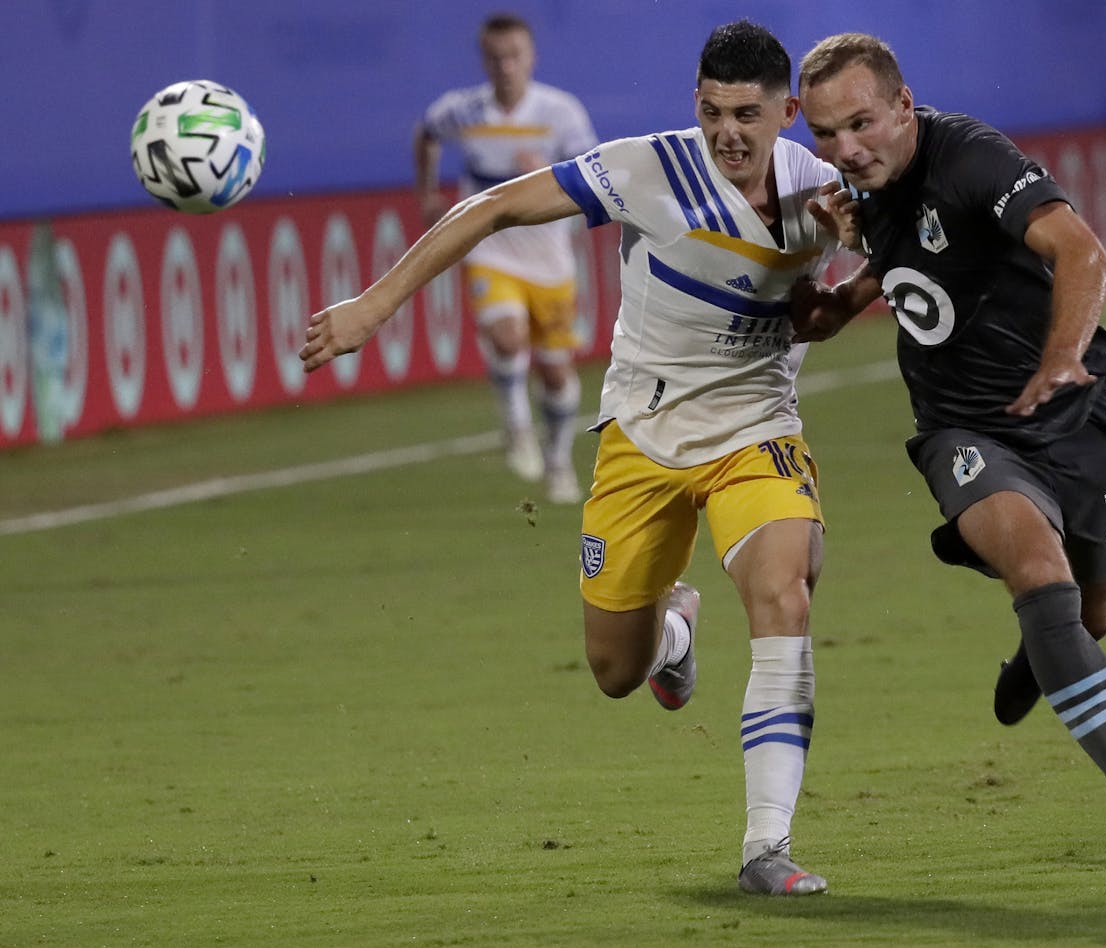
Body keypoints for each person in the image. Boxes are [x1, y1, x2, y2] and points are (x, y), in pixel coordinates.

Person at [304, 20, 840, 896]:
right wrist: (374, 303)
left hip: (756, 431)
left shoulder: (827, 191)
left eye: (747, 113)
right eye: (711, 111)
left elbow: (900, 261)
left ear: (787, 111)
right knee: (614, 672)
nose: (727, 133)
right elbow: (492, 207)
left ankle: (765, 847)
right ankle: (672, 631)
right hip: (642, 432)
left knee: (784, 593)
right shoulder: (647, 168)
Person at [793, 32, 1106, 864]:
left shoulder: (974, 157)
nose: (845, 149)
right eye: (825, 135)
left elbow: (1082, 250)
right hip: (965, 430)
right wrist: (846, 300)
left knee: (1093, 614)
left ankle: (1042, 648)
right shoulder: (862, 187)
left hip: (1075, 413)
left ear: (904, 107)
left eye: (860, 124)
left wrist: (1062, 357)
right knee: (1039, 572)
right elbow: (912, 253)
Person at [415, 13, 599, 504]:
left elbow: (595, 174)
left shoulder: (560, 112)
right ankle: (517, 427)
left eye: (514, 56)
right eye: (495, 58)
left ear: (531, 58)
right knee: (507, 335)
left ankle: (558, 460)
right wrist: (428, 194)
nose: (505, 67)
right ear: (484, 61)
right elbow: (427, 134)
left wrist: (549, 172)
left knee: (556, 370)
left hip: (550, 257)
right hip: (490, 248)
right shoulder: (466, 110)